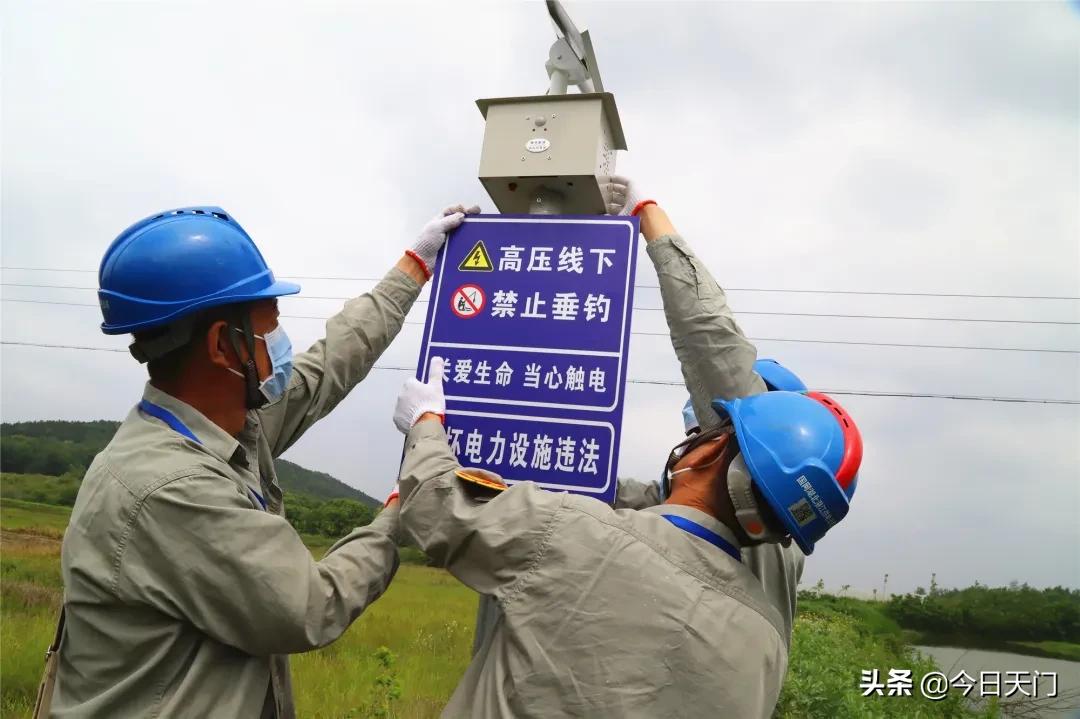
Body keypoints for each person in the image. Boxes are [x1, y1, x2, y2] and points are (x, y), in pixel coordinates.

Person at [390, 182, 864, 717]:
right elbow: (646, 500)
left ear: (716, 450)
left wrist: (426, 423)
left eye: (707, 428)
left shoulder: (575, 534)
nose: (693, 433)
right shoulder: (767, 645)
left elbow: (439, 507)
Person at [49, 203, 477, 718]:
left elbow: (327, 366)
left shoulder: (225, 426)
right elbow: (310, 606)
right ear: (221, 345)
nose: (281, 342)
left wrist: (413, 267)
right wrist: (399, 510)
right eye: (270, 325)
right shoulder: (171, 486)